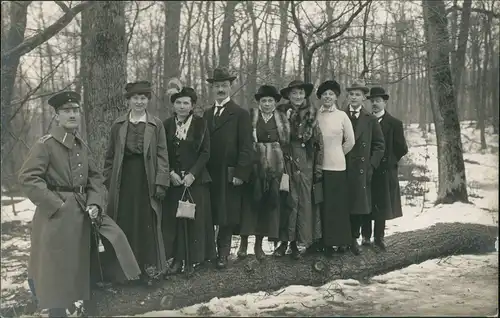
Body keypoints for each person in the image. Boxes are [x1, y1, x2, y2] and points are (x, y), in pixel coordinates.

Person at [18, 91, 141, 317]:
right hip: (56, 217)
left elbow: (95, 177)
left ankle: (84, 304)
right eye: (66, 111)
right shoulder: (46, 145)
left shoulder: (81, 145)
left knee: (103, 247)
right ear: (56, 116)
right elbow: (28, 178)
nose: (72, 115)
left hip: (83, 213)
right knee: (57, 267)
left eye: (75, 111)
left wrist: (95, 203)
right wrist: (56, 204)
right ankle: (58, 311)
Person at [103, 81, 169, 284]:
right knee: (124, 221)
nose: (139, 102)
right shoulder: (118, 125)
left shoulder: (156, 124)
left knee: (146, 223)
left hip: (146, 180)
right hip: (123, 181)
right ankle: (124, 271)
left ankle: (147, 269)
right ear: (128, 101)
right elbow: (110, 157)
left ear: (148, 100)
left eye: (143, 98)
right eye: (135, 98)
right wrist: (107, 182)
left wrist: (161, 182)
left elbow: (162, 154)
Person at [203, 67, 254, 269]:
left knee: (226, 214)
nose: (220, 89)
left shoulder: (240, 114)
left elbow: (246, 147)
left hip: (229, 173)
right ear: (212, 89)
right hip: (208, 173)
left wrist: (241, 172)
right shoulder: (206, 115)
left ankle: (223, 253)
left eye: (224, 85)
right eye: (217, 86)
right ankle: (208, 253)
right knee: (210, 213)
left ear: (230, 87)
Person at [162, 87, 216, 275]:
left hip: (196, 180)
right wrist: (170, 173)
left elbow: (206, 152)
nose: (182, 106)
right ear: (173, 105)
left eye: (186, 103)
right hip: (175, 180)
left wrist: (192, 174)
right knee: (176, 221)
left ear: (192, 105)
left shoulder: (201, 124)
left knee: (195, 220)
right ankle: (177, 260)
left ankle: (193, 261)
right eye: (178, 103)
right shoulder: (167, 125)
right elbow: (162, 153)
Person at [237, 85, 290, 260]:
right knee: (249, 204)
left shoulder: (281, 118)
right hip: (253, 165)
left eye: (270, 101)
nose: (267, 104)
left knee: (267, 204)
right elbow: (244, 140)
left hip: (274, 166)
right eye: (264, 101)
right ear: (259, 102)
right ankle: (243, 244)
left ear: (275, 103)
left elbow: (285, 143)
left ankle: (258, 246)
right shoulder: (251, 116)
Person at [274, 80, 324, 260]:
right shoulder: (279, 112)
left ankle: (297, 243)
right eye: (294, 93)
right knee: (286, 200)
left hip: (305, 162)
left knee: (301, 202)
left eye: (301, 93)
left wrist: (318, 166)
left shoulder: (311, 113)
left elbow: (318, 142)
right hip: (284, 159)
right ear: (288, 95)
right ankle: (283, 242)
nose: (297, 97)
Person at [343, 80, 385, 255]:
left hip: (361, 169)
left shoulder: (370, 119)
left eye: (358, 94)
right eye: (351, 94)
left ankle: (354, 238)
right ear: (348, 97)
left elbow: (379, 145)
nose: (354, 97)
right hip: (341, 166)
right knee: (342, 204)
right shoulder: (340, 115)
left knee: (358, 206)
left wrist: (371, 165)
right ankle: (343, 239)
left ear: (363, 98)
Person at [363, 86, 408, 250]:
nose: (375, 104)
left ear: (385, 102)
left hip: (384, 171)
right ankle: (365, 237)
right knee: (366, 203)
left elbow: (402, 148)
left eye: (378, 101)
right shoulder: (365, 120)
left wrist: (389, 161)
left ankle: (379, 238)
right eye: (372, 101)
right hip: (367, 169)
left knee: (381, 204)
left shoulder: (395, 123)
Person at [316, 80, 356, 256]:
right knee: (323, 206)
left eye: (331, 94)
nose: (327, 97)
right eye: (324, 94)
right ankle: (325, 242)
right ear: (320, 97)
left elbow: (350, 141)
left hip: (337, 167)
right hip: (319, 167)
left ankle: (341, 242)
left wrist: (338, 153)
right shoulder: (316, 115)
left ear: (336, 97)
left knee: (337, 206)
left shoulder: (342, 116)